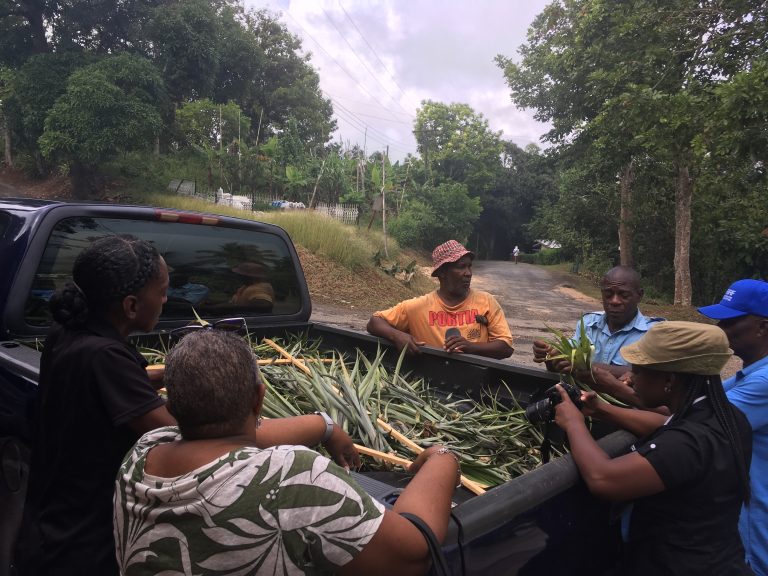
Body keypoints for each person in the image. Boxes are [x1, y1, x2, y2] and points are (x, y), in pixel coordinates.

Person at [114, 330, 459, 576]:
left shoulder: (142, 453)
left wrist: (326, 426)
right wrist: (443, 457)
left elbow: (249, 438)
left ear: (171, 405)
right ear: (259, 399)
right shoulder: (290, 477)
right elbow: (413, 556)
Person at [20, 235, 177, 576]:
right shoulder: (105, 357)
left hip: (48, 525)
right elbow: (171, 430)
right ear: (131, 306)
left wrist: (172, 372)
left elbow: (114, 389)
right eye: (162, 291)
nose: (166, 299)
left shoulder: (69, 332)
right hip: (81, 545)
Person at [552, 321, 752, 575]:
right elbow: (663, 424)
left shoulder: (687, 442)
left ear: (669, 379)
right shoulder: (723, 415)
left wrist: (573, 423)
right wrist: (603, 409)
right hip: (719, 560)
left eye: (638, 370)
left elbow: (604, 479)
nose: (631, 379)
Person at [699, 279, 768, 576]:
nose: (721, 328)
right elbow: (700, 401)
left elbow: (696, 420)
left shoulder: (764, 382)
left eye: (730, 321)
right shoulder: (748, 375)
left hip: (756, 531)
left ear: (763, 327)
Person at [533, 266, 663, 406]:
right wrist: (550, 356)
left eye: (624, 295)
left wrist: (582, 365)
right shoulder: (588, 324)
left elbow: (651, 376)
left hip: (627, 413)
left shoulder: (653, 333)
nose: (614, 301)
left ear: (639, 295)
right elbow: (564, 366)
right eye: (608, 295)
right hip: (582, 404)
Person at [367, 240, 514, 359]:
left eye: (470, 267)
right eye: (461, 267)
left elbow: (506, 348)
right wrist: (397, 335)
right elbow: (375, 322)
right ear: (442, 272)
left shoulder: (486, 302)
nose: (468, 273)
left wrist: (471, 347)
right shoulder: (418, 307)